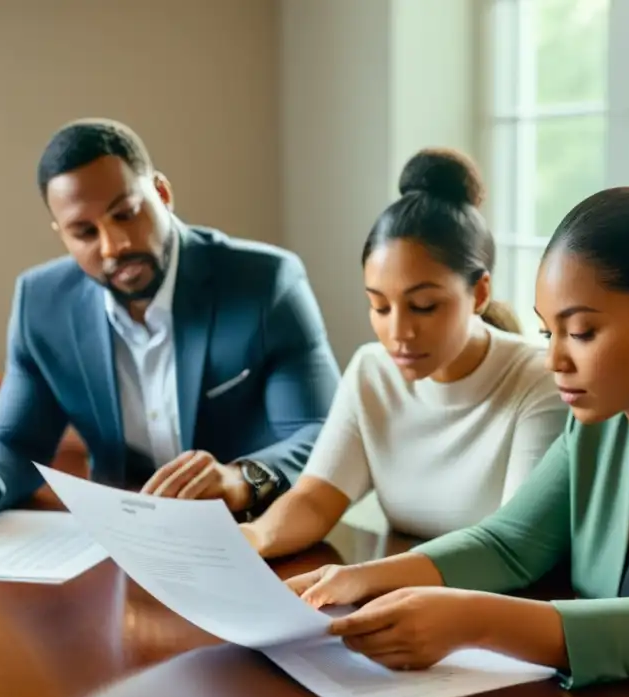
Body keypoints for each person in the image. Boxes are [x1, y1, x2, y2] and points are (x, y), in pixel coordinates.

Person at [283, 186, 629, 688]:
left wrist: (469, 619)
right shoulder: (601, 423)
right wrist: (357, 578)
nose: (554, 360)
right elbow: (508, 543)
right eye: (549, 331)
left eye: (581, 332)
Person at [0, 118, 340, 532]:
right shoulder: (42, 304)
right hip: (120, 545)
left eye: (125, 214)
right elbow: (14, 442)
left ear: (161, 193)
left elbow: (320, 433)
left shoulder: (266, 284)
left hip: (252, 536)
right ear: (62, 235)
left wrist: (239, 479)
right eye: (84, 232)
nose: (114, 246)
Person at [241, 149, 566, 557]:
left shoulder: (537, 381)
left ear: (480, 292)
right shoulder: (372, 371)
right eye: (379, 306)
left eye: (424, 306)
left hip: (494, 606)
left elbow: (513, 547)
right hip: (407, 596)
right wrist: (244, 545)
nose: (398, 333)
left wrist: (367, 579)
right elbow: (314, 500)